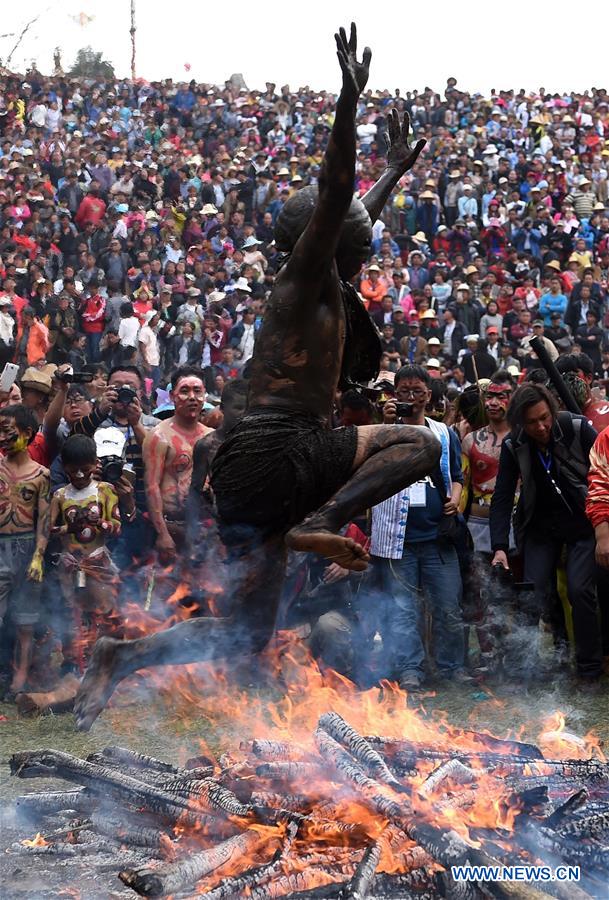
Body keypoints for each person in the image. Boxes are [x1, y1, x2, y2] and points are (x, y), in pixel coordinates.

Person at [74, 25, 438, 730]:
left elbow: (352, 212)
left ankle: (119, 657)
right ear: (324, 238)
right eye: (351, 230)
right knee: (419, 446)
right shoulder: (302, 282)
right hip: (282, 454)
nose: (363, 236)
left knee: (243, 642)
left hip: (251, 469)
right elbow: (337, 197)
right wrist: (345, 104)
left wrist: (393, 171)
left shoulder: (318, 283)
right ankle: (321, 520)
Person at [490, 383, 603, 691]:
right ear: (519, 423)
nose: (541, 427)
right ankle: (536, 664)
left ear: (552, 411)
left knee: (580, 591)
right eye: (531, 422)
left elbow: (604, 471)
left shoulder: (576, 428)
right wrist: (499, 546)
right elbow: (501, 496)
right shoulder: (514, 445)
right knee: (534, 592)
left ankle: (589, 669)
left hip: (584, 524)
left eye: (544, 418)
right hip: (540, 528)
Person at [370, 364, 468, 692]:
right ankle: (410, 669)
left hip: (438, 535)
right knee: (402, 610)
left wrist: (454, 500)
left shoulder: (444, 432)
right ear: (394, 396)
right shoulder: (381, 431)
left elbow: (457, 477)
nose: (411, 398)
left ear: (429, 395)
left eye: (417, 392)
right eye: (404, 392)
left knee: (448, 607)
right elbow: (370, 474)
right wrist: (385, 424)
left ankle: (451, 666)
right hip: (398, 539)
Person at [50, 435, 121, 673]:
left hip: (98, 561)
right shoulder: (60, 496)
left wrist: (100, 523)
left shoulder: (105, 491)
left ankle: (107, 661)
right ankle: (74, 663)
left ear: (95, 463)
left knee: (105, 611)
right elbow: (51, 529)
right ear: (64, 467)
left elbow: (117, 526)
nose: (80, 475)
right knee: (74, 614)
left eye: (85, 469)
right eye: (73, 470)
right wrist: (70, 527)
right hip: (71, 564)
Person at [0, 404, 50, 694]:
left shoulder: (41, 475)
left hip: (27, 548)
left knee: (25, 622)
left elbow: (44, 519)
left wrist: (38, 557)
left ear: (28, 433)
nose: (3, 438)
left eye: (9, 432)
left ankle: (19, 682)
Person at [142, 366, 211, 562]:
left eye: (197, 391)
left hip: (203, 527)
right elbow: (152, 487)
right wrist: (163, 534)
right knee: (166, 589)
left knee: (206, 588)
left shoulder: (210, 437)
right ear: (173, 396)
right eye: (184, 391)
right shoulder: (159, 436)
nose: (192, 397)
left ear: (204, 395)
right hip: (170, 525)